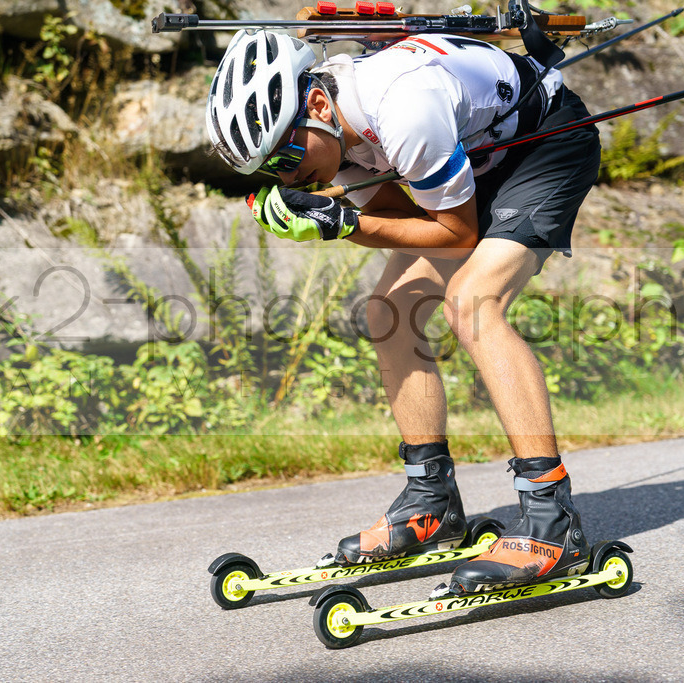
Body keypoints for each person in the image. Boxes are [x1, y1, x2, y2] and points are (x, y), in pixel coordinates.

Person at [205, 26, 600, 593]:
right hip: (477, 159)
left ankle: (552, 518)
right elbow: (405, 222)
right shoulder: (334, 134)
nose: (289, 176)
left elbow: (456, 235)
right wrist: (342, 219)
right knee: (388, 311)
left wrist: (342, 223)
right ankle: (431, 501)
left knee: (473, 304)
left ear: (317, 104)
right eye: (274, 169)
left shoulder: (403, 109)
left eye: (289, 155)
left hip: (545, 145)